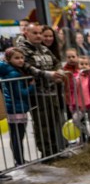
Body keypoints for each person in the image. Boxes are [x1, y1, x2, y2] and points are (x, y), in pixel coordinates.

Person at [18, 23, 66, 158]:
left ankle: (55, 150)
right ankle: (46, 153)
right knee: (42, 124)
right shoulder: (22, 50)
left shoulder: (44, 49)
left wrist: (59, 72)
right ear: (26, 33)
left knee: (54, 122)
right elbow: (28, 67)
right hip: (37, 94)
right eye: (35, 33)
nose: (39, 36)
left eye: (40, 33)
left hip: (52, 92)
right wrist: (49, 74)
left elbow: (56, 61)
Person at [0, 48, 39, 168]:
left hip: (15, 107)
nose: (21, 60)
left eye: (22, 57)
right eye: (16, 58)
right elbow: (20, 93)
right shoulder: (14, 73)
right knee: (18, 135)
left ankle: (19, 159)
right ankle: (20, 160)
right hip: (16, 108)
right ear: (8, 59)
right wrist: (32, 87)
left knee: (16, 135)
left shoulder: (11, 71)